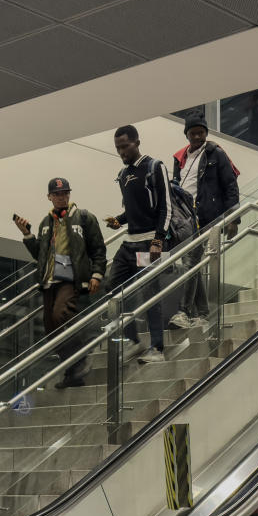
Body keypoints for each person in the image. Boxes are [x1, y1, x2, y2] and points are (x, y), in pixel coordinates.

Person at [14, 177, 107, 388]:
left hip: (71, 278)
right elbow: (40, 255)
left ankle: (82, 357)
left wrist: (96, 275)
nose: (61, 197)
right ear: (49, 197)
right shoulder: (46, 223)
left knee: (60, 315)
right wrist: (27, 235)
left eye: (65, 193)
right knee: (51, 328)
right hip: (49, 279)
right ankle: (72, 372)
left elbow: (98, 249)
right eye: (56, 194)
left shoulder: (84, 217)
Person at [104, 124, 171, 365]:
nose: (121, 152)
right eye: (118, 148)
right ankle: (133, 341)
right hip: (129, 243)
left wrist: (158, 241)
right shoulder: (123, 175)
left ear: (137, 142)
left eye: (125, 146)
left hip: (150, 242)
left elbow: (166, 207)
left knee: (150, 292)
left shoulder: (154, 166)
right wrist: (118, 220)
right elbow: (132, 210)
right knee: (113, 288)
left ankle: (157, 348)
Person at [169, 114, 239, 330]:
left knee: (191, 262)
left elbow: (230, 185)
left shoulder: (215, 153)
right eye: (193, 132)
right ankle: (203, 314)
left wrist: (233, 219)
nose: (198, 136)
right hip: (184, 217)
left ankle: (183, 312)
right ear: (187, 134)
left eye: (201, 132)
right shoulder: (180, 157)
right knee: (194, 264)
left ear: (206, 133)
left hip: (207, 216)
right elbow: (175, 188)